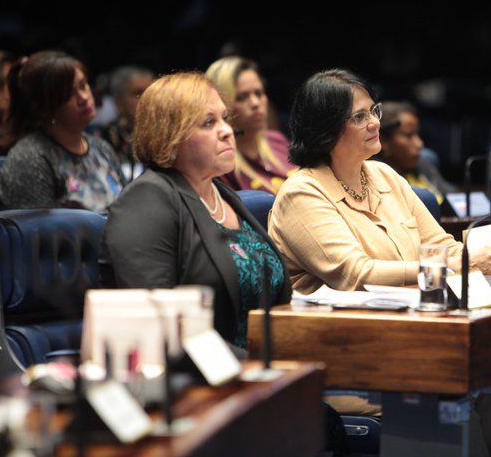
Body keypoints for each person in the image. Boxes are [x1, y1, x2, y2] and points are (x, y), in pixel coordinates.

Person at [268, 68, 491, 457]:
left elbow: (440, 245)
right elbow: (355, 273)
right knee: (457, 390)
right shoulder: (301, 194)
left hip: (416, 338)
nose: (374, 123)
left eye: (374, 110)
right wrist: (461, 267)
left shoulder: (385, 176)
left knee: (488, 384)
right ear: (324, 129)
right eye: (359, 117)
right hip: (352, 357)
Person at [98, 72, 349, 455]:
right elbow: (160, 324)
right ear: (169, 135)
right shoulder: (146, 203)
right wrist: (260, 371)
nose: (227, 132)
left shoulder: (223, 195)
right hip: (194, 391)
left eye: (224, 119)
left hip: (254, 381)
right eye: (207, 123)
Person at [0, 50, 123, 213]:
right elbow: (40, 234)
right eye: (69, 94)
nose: (84, 97)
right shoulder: (30, 159)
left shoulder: (102, 148)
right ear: (43, 108)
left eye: (83, 85)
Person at [205, 56, 296, 194]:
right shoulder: (222, 165)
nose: (255, 103)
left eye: (259, 93)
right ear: (221, 104)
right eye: (241, 97)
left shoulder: (277, 140)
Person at [375, 100, 456, 205]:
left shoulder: (422, 162)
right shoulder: (378, 177)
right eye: (409, 136)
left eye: (417, 135)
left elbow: (454, 196)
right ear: (384, 141)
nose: (420, 144)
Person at [98, 65, 155, 182]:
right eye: (138, 93)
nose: (147, 99)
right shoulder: (104, 140)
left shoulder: (168, 137)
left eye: (151, 92)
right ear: (118, 102)